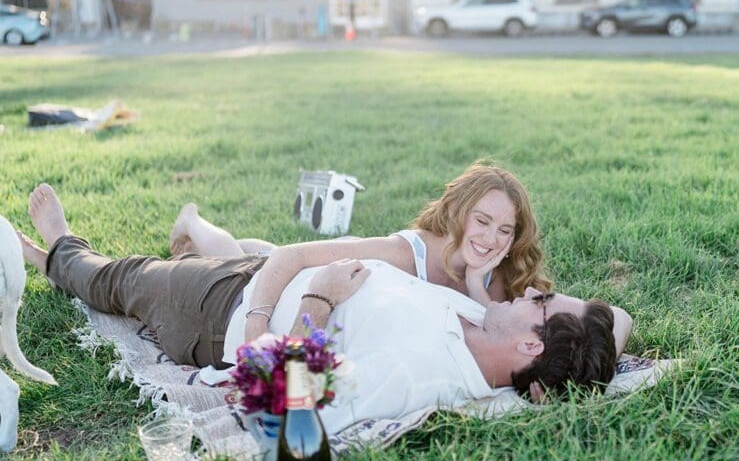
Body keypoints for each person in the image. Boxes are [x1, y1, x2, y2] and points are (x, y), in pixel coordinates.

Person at [18, 184, 631, 430]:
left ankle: (57, 251)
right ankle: (182, 240)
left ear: (531, 343)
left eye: (540, 301)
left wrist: (318, 299)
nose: (526, 291)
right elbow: (615, 327)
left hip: (219, 310)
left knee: (119, 280)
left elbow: (284, 408)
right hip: (257, 278)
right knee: (234, 254)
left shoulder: (415, 372)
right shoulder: (483, 325)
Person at [168, 161, 551, 305]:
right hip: (325, 270)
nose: (491, 239)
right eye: (481, 221)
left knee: (266, 251)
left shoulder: (498, 273)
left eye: (505, 229)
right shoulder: (405, 254)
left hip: (329, 259)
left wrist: (474, 284)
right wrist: (256, 325)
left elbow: (493, 324)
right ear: (456, 212)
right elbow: (294, 258)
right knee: (242, 266)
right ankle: (192, 220)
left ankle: (245, 244)